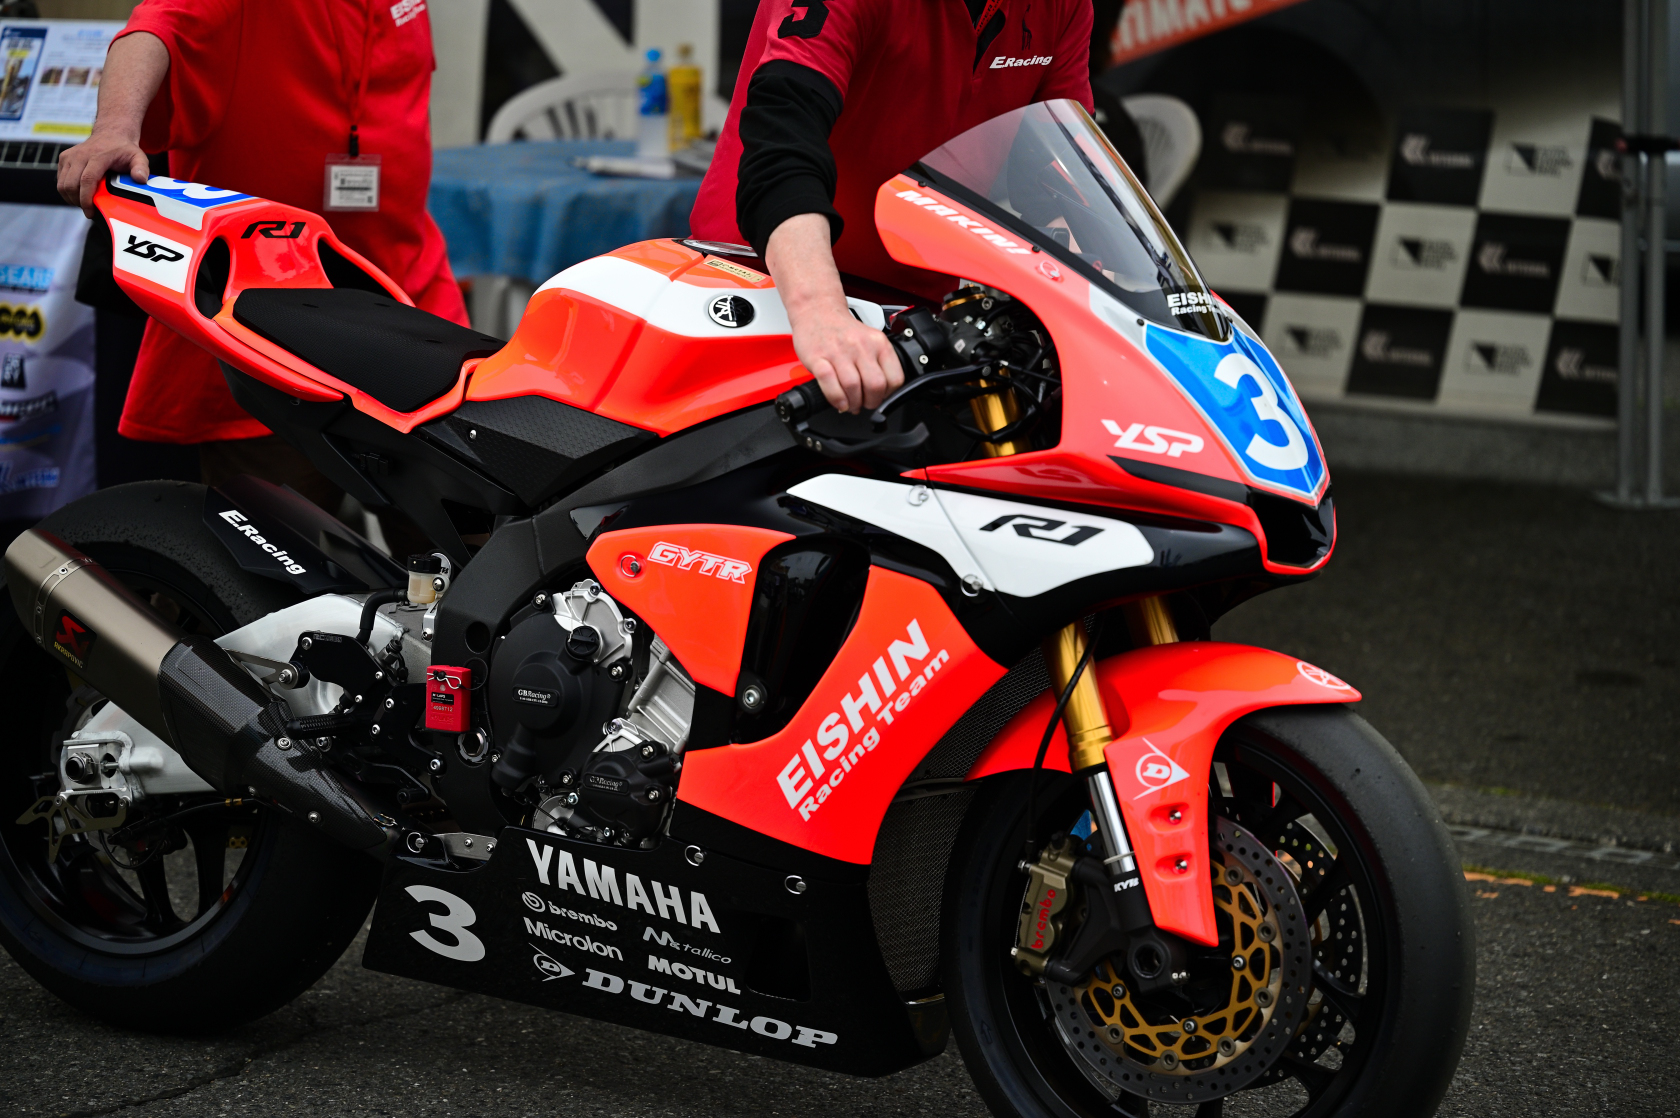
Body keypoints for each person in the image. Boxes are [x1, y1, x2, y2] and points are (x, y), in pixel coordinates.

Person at [56, 0, 466, 514]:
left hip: (414, 309)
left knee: (469, 546)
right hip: (268, 343)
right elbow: (159, 24)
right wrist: (115, 128)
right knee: (281, 552)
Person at [690, 0, 1093, 416]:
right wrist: (819, 310)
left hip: (916, 313)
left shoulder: (1065, 6)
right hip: (760, 284)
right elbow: (784, 139)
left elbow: (1063, 176)